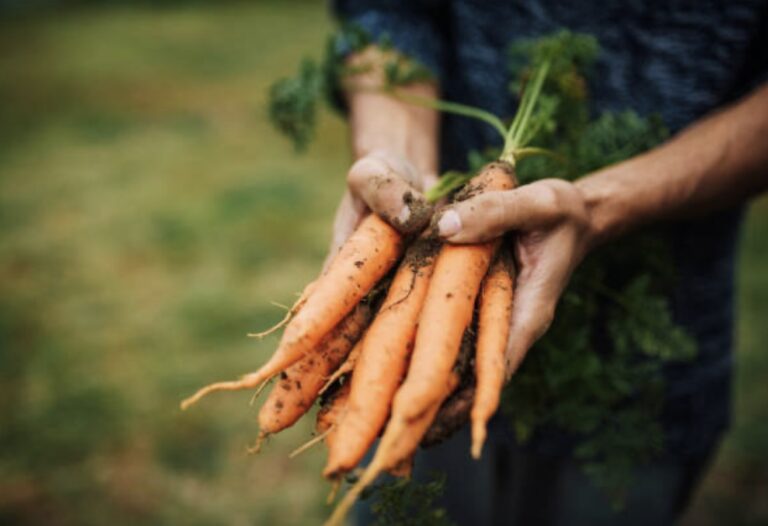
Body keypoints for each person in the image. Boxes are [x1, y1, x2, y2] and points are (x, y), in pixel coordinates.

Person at [327, 1, 768, 524]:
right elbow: (387, 13)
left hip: (635, 380)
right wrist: (395, 164)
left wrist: (596, 207)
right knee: (402, 444)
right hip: (418, 357)